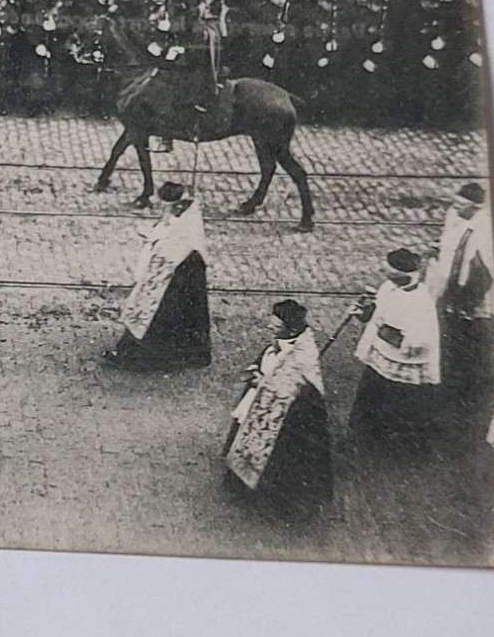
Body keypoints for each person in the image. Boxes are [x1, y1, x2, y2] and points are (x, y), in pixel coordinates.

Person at [223, 299, 334, 521]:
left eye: (276, 324)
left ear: (289, 327)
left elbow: (290, 388)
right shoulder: (283, 342)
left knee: (278, 457)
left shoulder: (300, 357)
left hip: (286, 415)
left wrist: (261, 380)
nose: (269, 326)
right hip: (262, 401)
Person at [104, 182, 212, 370]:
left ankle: (139, 356)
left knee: (156, 317)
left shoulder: (184, 225)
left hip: (176, 276)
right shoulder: (187, 216)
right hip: (177, 272)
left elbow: (171, 249)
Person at [348, 247, 443, 455]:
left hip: (400, 361)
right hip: (380, 356)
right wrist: (365, 312)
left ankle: (390, 447)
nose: (385, 275)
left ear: (403, 274)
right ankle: (364, 436)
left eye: (389, 272)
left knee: (395, 403)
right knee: (371, 394)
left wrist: (383, 330)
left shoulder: (420, 302)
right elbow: (379, 311)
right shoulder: (389, 286)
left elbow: (418, 342)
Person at [427, 181, 494, 447]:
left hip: (469, 299)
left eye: (460, 205)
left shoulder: (485, 231)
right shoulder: (455, 216)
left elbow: (482, 272)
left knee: (465, 351)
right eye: (454, 203)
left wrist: (466, 301)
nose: (453, 207)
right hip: (449, 294)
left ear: (476, 207)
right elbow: (450, 246)